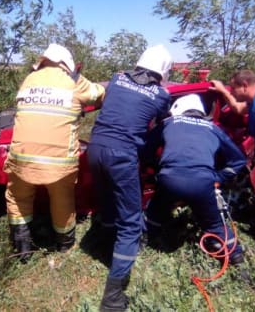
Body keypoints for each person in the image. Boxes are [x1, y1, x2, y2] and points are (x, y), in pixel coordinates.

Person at [87, 44, 173, 312]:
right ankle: (112, 299)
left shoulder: (116, 78)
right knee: (132, 223)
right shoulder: (161, 95)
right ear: (163, 71)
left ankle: (104, 242)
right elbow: (162, 121)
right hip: (121, 155)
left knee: (108, 199)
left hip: (95, 149)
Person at [3, 43, 105, 262]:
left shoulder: (29, 79)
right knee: (62, 201)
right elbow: (99, 94)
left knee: (17, 199)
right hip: (59, 164)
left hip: (20, 160)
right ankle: (64, 246)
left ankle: (22, 251)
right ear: (66, 63)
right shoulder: (74, 81)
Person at [144, 94, 247, 265]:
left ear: (177, 109)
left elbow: (146, 149)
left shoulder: (168, 124)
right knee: (215, 224)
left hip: (170, 180)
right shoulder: (213, 128)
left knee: (154, 211)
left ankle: (143, 241)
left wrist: (155, 169)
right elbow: (238, 160)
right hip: (202, 183)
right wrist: (218, 177)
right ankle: (237, 260)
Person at [210, 71, 255, 254]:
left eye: (234, 88)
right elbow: (239, 109)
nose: (234, 91)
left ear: (244, 85)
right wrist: (224, 92)